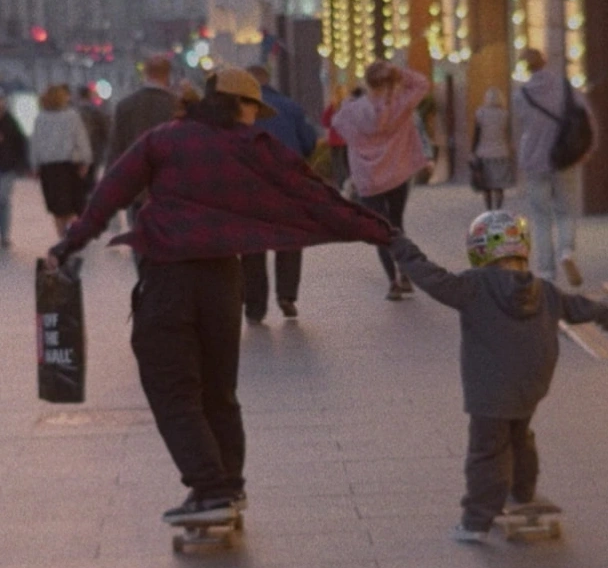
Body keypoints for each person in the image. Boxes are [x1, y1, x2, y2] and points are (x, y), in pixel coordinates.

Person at [45, 67, 394, 525]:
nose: (256, 118)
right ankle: (229, 486)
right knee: (219, 391)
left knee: (171, 387)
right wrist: (381, 231)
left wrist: (67, 245)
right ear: (233, 104)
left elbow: (111, 193)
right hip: (222, 282)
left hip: (169, 279)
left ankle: (211, 488)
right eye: (252, 107)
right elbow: (313, 196)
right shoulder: (253, 149)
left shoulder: (163, 140)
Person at [390, 210, 608, 543]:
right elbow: (580, 307)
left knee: (487, 451)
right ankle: (522, 493)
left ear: (479, 250)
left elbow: (432, 278)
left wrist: (401, 248)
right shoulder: (545, 290)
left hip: (490, 391)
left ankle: (476, 521)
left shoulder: (473, 286)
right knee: (520, 436)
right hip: (531, 387)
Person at [332, 60, 431, 301]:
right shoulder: (400, 105)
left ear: (367, 82)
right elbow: (422, 83)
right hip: (397, 174)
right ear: (390, 81)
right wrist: (399, 73)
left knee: (380, 230)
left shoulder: (353, 110)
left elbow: (336, 124)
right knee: (397, 224)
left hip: (368, 180)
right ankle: (406, 271)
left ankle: (393, 282)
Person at [241, 64, 318, 323]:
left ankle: (255, 306)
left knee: (252, 245)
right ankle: (287, 296)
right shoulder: (290, 107)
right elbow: (308, 142)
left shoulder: (236, 112)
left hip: (250, 185)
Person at [513, 48, 596, 287]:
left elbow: (523, 127)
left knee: (540, 217)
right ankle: (566, 252)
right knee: (566, 210)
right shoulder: (566, 87)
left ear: (525, 67)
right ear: (545, 62)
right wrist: (585, 150)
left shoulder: (522, 95)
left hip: (534, 161)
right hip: (565, 158)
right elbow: (586, 117)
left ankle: (547, 272)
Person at [106, 54, 178, 231]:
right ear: (168, 75)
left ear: (145, 74)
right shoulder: (178, 106)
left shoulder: (125, 106)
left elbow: (117, 147)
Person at [30, 84, 93, 238]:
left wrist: (35, 165)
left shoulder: (40, 118)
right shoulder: (72, 116)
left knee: (57, 209)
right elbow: (81, 140)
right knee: (72, 206)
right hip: (69, 167)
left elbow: (35, 143)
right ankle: (71, 236)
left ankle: (61, 238)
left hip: (49, 168)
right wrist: (86, 160)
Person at [471, 87, 515, 211]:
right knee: (499, 185)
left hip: (484, 153)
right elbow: (508, 134)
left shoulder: (480, 113)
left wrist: (473, 151)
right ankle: (499, 208)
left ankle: (489, 210)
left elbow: (477, 134)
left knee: (487, 186)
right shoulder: (505, 115)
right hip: (501, 153)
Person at [0, 88, 29, 248]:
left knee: (3, 199)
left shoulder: (11, 122)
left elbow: (21, 143)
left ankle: (4, 235)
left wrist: (24, 164)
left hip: (7, 167)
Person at [76, 85, 111, 198]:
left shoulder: (73, 112)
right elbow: (106, 131)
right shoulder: (97, 112)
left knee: (78, 179)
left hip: (76, 153)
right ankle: (90, 203)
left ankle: (81, 202)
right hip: (94, 150)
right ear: (89, 96)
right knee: (91, 177)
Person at [321, 84, 350, 191]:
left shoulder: (332, 108)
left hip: (335, 141)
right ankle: (349, 184)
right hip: (347, 140)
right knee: (347, 164)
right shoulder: (349, 106)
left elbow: (324, 121)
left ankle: (341, 186)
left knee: (337, 165)